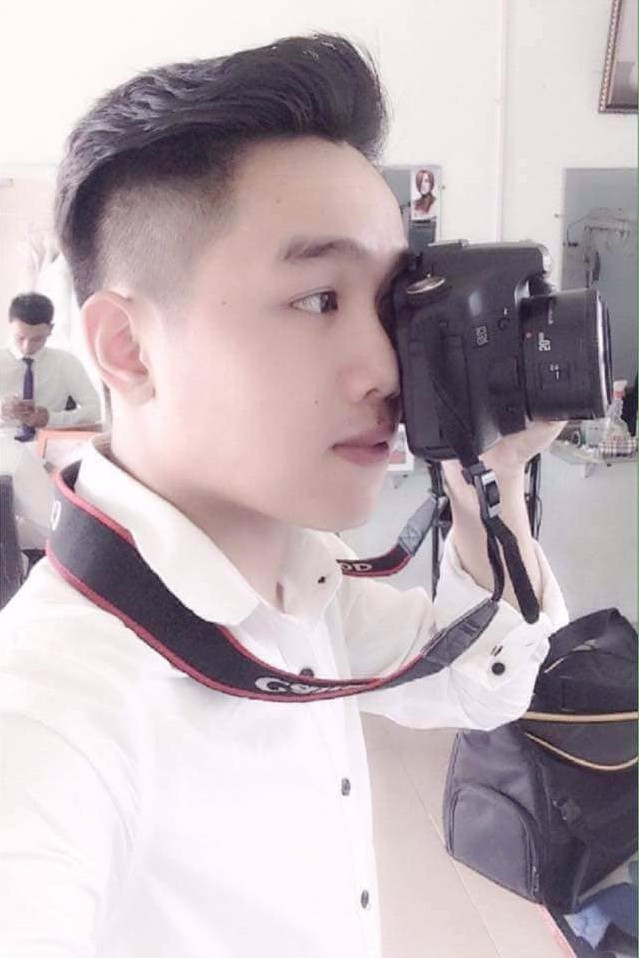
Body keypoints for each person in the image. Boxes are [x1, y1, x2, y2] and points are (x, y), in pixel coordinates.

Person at [0, 34, 569, 958]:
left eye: (387, 305)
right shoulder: (47, 716)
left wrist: (491, 471)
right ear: (127, 349)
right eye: (316, 300)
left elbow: (484, 681)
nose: (385, 368)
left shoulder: (301, 587)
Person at [0, 291, 101, 441]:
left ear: (50, 330)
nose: (27, 347)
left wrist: (52, 419)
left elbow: (95, 410)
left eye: (37, 339)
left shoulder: (65, 362)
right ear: (10, 327)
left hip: (49, 446)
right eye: (20, 338)